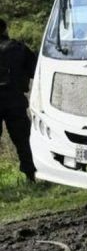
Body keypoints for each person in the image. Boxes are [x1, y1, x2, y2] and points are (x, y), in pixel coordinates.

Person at [0, 18, 38, 182]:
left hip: (12, 100)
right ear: (5, 30)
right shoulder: (19, 49)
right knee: (24, 140)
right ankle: (30, 175)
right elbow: (35, 71)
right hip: (15, 101)